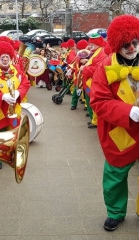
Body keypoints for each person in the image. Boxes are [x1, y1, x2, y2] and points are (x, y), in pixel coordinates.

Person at [90, 14, 139, 231]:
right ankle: (116, 212)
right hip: (120, 130)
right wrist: (130, 112)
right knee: (115, 175)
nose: (131, 47)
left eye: (135, 42)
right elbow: (98, 102)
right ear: (117, 44)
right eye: (126, 44)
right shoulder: (104, 67)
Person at [0, 41, 31, 169]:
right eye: (1, 57)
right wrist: (2, 96)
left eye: (7, 57)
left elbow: (25, 84)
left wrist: (18, 93)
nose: (4, 59)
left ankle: (10, 155)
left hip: (14, 110)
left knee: (14, 135)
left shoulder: (17, 70)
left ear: (10, 57)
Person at [81, 33, 107, 129]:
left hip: (94, 84)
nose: (89, 46)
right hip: (89, 83)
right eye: (90, 43)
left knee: (94, 103)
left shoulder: (102, 53)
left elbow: (97, 69)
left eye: (92, 44)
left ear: (97, 44)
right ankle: (93, 120)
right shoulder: (96, 52)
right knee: (90, 102)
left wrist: (84, 69)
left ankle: (96, 121)